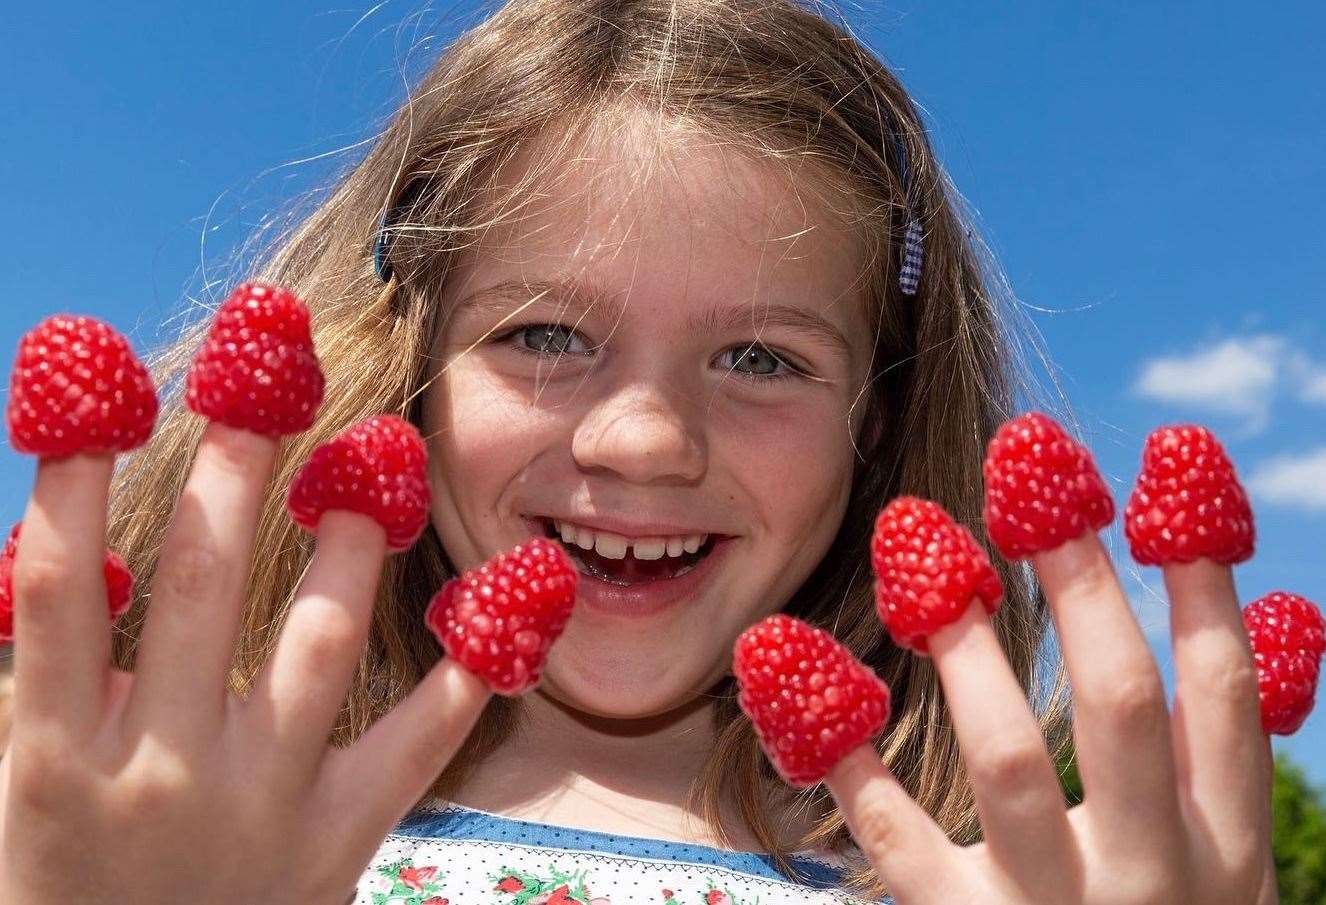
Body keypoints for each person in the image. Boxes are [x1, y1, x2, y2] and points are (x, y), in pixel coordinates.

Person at [0, 0, 1279, 902]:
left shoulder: (997, 881)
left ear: (874, 421)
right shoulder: (119, 821)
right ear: (410, 373)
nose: (645, 438)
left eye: (763, 358)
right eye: (546, 333)